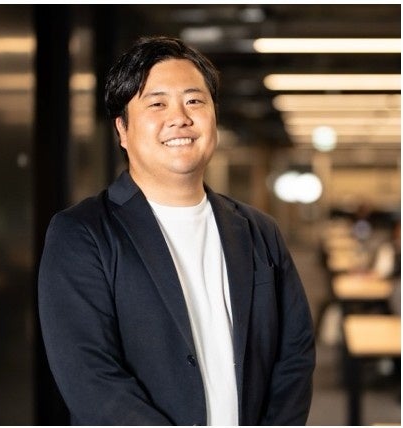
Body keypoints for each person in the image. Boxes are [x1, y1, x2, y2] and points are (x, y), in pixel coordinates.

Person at [38, 36, 315, 426]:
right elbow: (90, 379)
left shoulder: (260, 231)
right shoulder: (82, 234)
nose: (180, 118)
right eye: (157, 104)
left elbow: (295, 355)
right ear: (122, 129)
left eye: (195, 101)